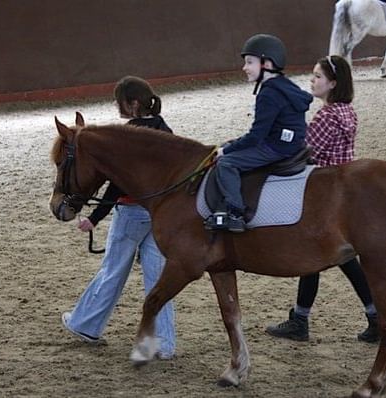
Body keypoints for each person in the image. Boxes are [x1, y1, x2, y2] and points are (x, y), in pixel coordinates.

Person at [265, 56, 379, 343]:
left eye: (318, 76)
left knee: (312, 257)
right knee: (344, 260)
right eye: (313, 75)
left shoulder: (326, 116)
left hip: (322, 192)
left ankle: (301, 321)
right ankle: (373, 314)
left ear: (333, 83)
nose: (312, 80)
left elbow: (305, 150)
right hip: (345, 189)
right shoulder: (347, 111)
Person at [61, 76, 176, 359]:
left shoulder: (130, 134)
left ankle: (85, 324)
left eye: (119, 101)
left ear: (133, 104)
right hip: (159, 213)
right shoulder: (164, 129)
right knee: (158, 279)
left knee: (112, 270)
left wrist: (95, 217)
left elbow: (116, 183)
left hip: (131, 212)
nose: (117, 106)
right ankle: (162, 343)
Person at [204, 33, 313, 233]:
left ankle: (235, 213)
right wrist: (233, 143)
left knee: (227, 163)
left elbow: (256, 135)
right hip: (292, 142)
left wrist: (226, 151)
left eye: (249, 62)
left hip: (276, 147)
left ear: (267, 64)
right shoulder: (285, 85)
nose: (244, 68)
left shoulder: (269, 93)